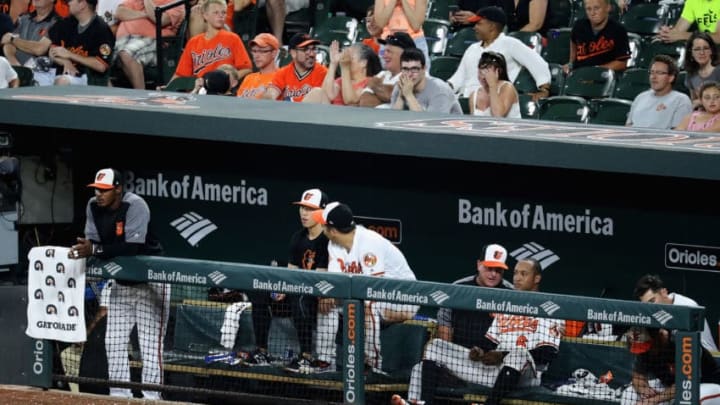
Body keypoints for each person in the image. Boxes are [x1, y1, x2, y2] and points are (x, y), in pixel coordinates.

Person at [70, 168, 169, 400]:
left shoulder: (135, 206)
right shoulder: (92, 206)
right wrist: (90, 248)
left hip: (151, 282)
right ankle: (119, 397)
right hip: (122, 284)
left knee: (149, 348)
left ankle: (152, 400)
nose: (99, 195)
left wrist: (94, 250)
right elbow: (92, 241)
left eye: (104, 191)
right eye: (97, 190)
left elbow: (130, 248)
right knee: (113, 344)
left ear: (118, 189)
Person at [393, 244, 515, 404]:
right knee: (429, 354)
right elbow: (445, 337)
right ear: (479, 264)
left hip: (493, 368)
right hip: (461, 360)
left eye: (498, 270)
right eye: (489, 268)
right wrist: (447, 368)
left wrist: (497, 355)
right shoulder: (458, 290)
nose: (493, 274)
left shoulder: (512, 295)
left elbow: (514, 341)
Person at [312, 202, 419, 371]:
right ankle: (325, 361)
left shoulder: (369, 242)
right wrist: (328, 295)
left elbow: (372, 288)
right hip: (368, 295)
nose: (321, 227)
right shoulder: (333, 245)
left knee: (368, 304)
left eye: (323, 224)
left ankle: (372, 365)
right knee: (326, 303)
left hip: (404, 298)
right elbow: (336, 282)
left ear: (332, 230)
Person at [447, 6, 551, 100]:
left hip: (493, 100)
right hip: (465, 99)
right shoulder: (472, 48)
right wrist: (446, 87)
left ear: (492, 26)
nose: (475, 28)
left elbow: (537, 63)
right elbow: (458, 77)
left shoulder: (509, 43)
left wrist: (544, 90)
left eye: (479, 24)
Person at [283, 188, 333, 373]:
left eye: (310, 209)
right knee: (262, 296)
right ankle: (261, 352)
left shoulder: (327, 239)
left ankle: (306, 356)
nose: (304, 213)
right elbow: (291, 272)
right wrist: (281, 289)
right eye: (302, 208)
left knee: (301, 297)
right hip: (298, 291)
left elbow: (319, 278)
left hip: (318, 297)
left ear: (322, 211)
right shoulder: (298, 237)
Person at [620, 326, 720, 405]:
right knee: (629, 394)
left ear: (659, 336)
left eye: (648, 346)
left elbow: (685, 384)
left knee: (689, 398)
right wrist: (643, 389)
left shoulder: (683, 340)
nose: (646, 351)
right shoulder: (645, 347)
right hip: (669, 385)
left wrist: (653, 400)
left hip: (703, 385)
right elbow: (638, 376)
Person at [168, 0, 251, 85]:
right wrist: (167, 88)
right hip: (199, 92)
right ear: (205, 16)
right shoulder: (193, 42)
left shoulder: (233, 38)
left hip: (222, 92)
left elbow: (246, 69)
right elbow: (180, 74)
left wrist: (227, 81)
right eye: (216, 13)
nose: (221, 16)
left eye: (223, 13)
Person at [632, 274, 718, 352]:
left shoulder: (687, 307)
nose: (650, 307)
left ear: (664, 292)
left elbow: (696, 348)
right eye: (646, 305)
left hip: (705, 359)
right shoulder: (652, 312)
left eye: (652, 301)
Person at [113, 0, 186, 89]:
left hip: (154, 41)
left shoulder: (176, 3)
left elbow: (160, 19)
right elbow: (119, 12)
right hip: (123, 39)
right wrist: (145, 15)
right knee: (101, 58)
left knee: (126, 53)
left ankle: (140, 96)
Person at [47, 0, 115, 85]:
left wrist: (70, 55)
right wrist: (65, 62)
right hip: (59, 73)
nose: (68, 3)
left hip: (88, 78)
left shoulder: (102, 29)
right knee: (33, 78)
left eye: (71, 0)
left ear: (82, 4)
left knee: (63, 81)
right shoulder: (66, 23)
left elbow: (101, 66)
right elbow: (51, 52)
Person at [0, 0, 60, 86]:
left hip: (39, 75)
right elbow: (7, 43)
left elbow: (39, 49)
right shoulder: (23, 18)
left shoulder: (57, 22)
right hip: (15, 69)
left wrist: (14, 40)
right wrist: (14, 63)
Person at [303, 41, 382, 106]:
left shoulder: (370, 82)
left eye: (349, 56)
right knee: (316, 92)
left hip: (349, 121)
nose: (345, 59)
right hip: (330, 117)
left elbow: (350, 100)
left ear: (363, 63)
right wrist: (333, 63)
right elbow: (326, 94)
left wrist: (345, 68)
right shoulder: (341, 80)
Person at [626, 54, 692, 130]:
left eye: (659, 73)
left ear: (671, 77)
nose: (653, 77)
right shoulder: (640, 97)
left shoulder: (681, 100)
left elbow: (678, 133)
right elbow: (628, 126)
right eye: (652, 72)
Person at [391, 47, 463, 114]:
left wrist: (409, 95)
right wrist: (401, 96)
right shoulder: (400, 86)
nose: (409, 74)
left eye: (414, 69)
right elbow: (393, 120)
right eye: (405, 69)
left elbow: (428, 124)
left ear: (424, 69)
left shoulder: (440, 90)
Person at [565, 0, 630, 74]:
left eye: (596, 8)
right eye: (588, 9)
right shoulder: (579, 26)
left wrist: (594, 72)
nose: (592, 13)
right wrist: (570, 64)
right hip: (579, 77)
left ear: (608, 7)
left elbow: (622, 63)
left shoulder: (618, 30)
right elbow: (573, 42)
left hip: (605, 78)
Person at [262, 32, 327, 102]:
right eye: (305, 50)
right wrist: (269, 96)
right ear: (293, 53)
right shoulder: (283, 73)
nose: (311, 54)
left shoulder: (322, 72)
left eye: (313, 49)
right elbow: (270, 94)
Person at [358, 31, 416, 108]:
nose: (384, 56)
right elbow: (364, 101)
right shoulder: (382, 74)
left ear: (404, 55)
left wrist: (374, 86)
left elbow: (393, 96)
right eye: (384, 51)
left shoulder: (412, 76)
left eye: (389, 52)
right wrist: (385, 97)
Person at [374, 0, 430, 70]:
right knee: (386, 76)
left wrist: (404, 2)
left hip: (415, 41)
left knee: (419, 76)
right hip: (387, 42)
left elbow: (416, 25)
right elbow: (380, 23)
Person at [468, 51, 521, 118]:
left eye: (487, 71)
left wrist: (492, 85)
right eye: (481, 71)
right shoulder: (474, 95)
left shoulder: (507, 87)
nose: (483, 76)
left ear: (498, 71)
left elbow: (498, 115)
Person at [683, 32, 720, 109]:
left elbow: (697, 102)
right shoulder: (690, 73)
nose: (702, 53)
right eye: (697, 49)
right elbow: (694, 101)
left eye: (706, 48)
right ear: (691, 53)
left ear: (711, 51)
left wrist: (700, 102)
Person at [655, 0, 720, 44]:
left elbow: (718, 38)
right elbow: (678, 31)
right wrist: (667, 34)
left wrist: (683, 35)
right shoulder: (692, 1)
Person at [236, 32, 279, 98]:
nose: (256, 56)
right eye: (254, 51)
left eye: (262, 51)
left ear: (274, 53)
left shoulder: (281, 77)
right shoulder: (248, 78)